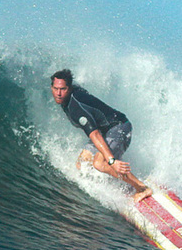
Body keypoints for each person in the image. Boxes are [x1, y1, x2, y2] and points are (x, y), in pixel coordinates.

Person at [50, 69, 151, 202]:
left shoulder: (76, 107)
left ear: (69, 88)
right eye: (55, 88)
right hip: (106, 130)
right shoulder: (70, 95)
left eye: (62, 89)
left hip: (119, 127)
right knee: (82, 163)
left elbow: (95, 134)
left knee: (99, 163)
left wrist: (111, 161)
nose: (58, 93)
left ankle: (141, 188)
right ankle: (121, 179)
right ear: (51, 87)